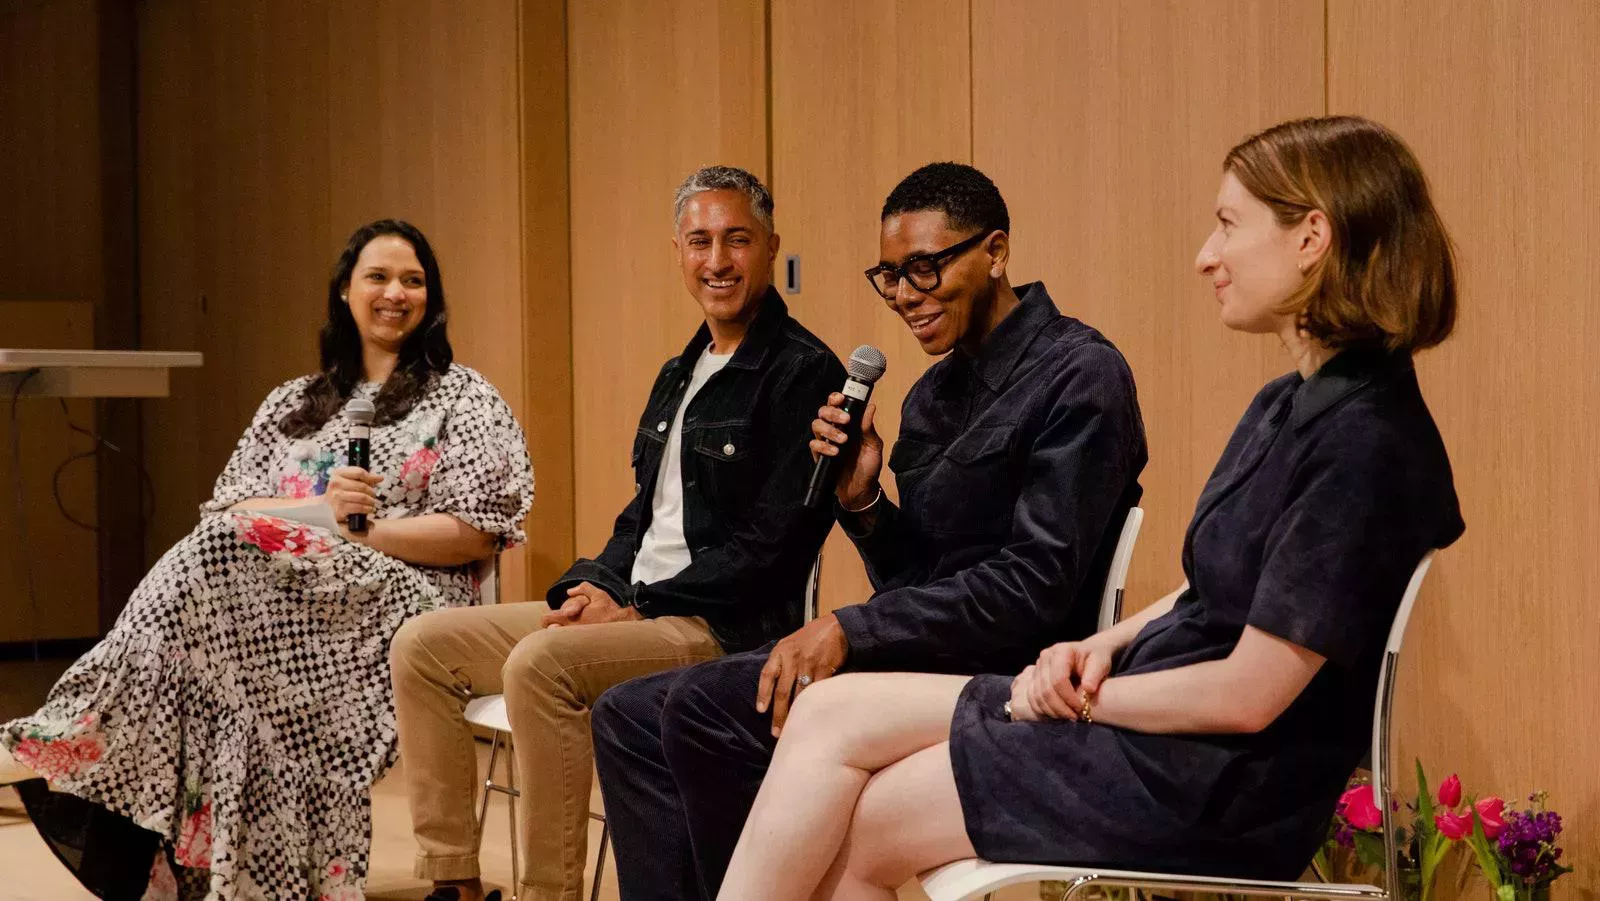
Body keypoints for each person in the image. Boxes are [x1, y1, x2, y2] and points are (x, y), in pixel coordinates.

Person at [715, 116, 1467, 901]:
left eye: (1227, 224)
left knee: (876, 811)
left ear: (1312, 236)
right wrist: (1102, 644)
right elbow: (1217, 586)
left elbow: (1249, 696)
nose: (1206, 255)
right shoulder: (1293, 403)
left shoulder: (1365, 441)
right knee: (830, 715)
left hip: (1217, 783)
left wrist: (1082, 700)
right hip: (1155, 726)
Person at [592, 162, 1148, 901]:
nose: (906, 296)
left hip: (1014, 672)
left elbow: (1033, 586)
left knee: (705, 709)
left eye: (924, 268)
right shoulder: (928, 397)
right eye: (889, 276)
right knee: (627, 714)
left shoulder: (1079, 375)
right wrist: (861, 502)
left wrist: (851, 628)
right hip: (923, 652)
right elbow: (914, 577)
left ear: (996, 251)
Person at [1, 219, 533, 900]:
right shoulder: (294, 402)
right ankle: (127, 834)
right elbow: (229, 511)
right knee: (202, 601)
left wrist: (364, 532)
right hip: (272, 600)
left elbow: (475, 531)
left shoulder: (462, 397)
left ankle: (71, 734)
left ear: (431, 298)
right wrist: (320, 511)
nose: (396, 291)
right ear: (345, 291)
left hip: (399, 603)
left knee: (208, 590)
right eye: (378, 276)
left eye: (414, 279)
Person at [388, 167, 842, 901]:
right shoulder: (679, 370)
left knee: (542, 666)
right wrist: (591, 584)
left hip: (721, 626)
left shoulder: (801, 369)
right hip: (638, 602)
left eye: (737, 240)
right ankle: (455, 884)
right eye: (700, 241)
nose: (717, 260)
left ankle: (551, 893)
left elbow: (772, 547)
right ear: (678, 251)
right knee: (424, 645)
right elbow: (641, 516)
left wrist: (637, 602)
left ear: (770, 247)